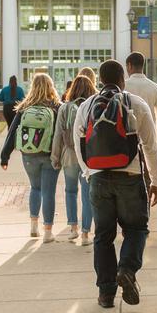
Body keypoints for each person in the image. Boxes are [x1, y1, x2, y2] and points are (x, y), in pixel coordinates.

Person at [73, 60, 157, 309]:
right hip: (130, 177)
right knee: (136, 229)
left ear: (100, 80)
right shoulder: (135, 103)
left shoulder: (87, 106)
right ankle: (127, 270)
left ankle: (106, 293)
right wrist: (156, 181)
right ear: (123, 80)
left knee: (103, 235)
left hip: (98, 178)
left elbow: (78, 142)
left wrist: (89, 173)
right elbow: (150, 147)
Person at [0, 73, 61, 243]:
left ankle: (33, 225)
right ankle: (48, 231)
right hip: (50, 155)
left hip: (29, 155)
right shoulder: (56, 107)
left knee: (35, 188)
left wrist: (5, 157)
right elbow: (61, 134)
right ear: (50, 86)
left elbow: (12, 133)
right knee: (49, 192)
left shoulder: (24, 107)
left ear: (33, 87)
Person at [52, 73, 96, 246]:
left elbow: (58, 136)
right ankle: (86, 234)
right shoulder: (92, 106)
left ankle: (73, 229)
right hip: (88, 157)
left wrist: (55, 157)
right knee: (87, 195)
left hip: (69, 156)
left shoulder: (64, 108)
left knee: (70, 192)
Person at [124, 52, 157, 139]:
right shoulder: (156, 88)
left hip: (127, 138)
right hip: (149, 137)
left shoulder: (122, 87)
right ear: (143, 65)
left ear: (129, 65)